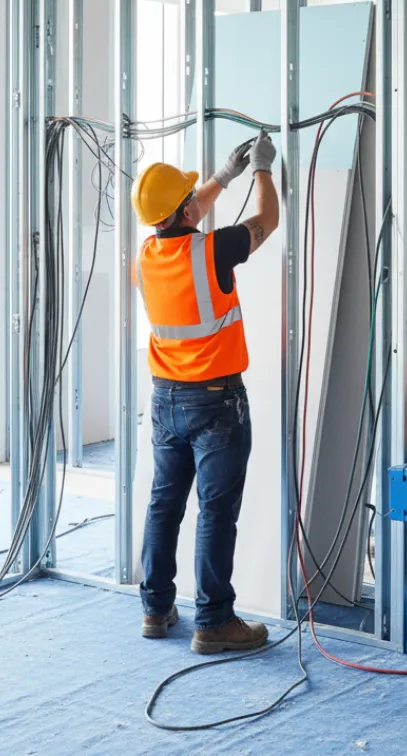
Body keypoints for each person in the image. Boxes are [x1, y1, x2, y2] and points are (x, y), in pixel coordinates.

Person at [131, 130, 278, 654]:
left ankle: (155, 607)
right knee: (215, 510)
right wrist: (261, 169)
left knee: (163, 503)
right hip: (216, 402)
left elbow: (182, 214)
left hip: (166, 399)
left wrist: (221, 178)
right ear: (187, 211)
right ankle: (213, 622)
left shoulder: (145, 257)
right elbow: (267, 220)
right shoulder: (215, 250)